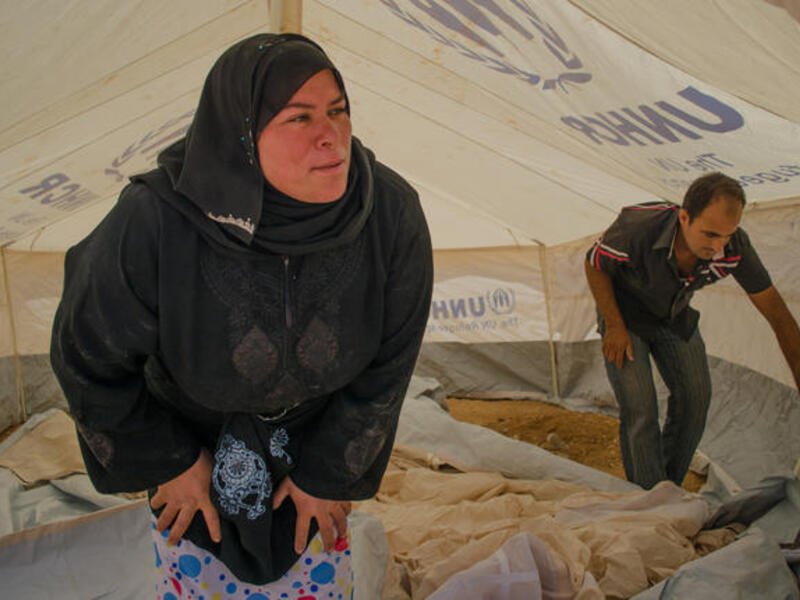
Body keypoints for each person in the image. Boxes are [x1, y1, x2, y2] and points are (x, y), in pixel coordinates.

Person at [50, 33, 433, 597]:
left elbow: (389, 364)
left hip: (317, 449)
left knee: (317, 578)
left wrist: (329, 474)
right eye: (298, 118)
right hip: (191, 460)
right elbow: (85, 353)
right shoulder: (156, 220)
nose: (332, 137)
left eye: (338, 111)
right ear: (242, 135)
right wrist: (169, 462)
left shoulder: (388, 214)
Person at [585, 172, 800, 490]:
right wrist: (614, 325)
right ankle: (647, 500)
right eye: (710, 234)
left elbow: (778, 316)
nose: (717, 246)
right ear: (684, 217)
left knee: (696, 398)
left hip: (673, 316)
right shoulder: (640, 226)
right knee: (641, 406)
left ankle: (666, 488)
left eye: (727, 236)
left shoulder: (734, 248)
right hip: (625, 317)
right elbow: (594, 263)